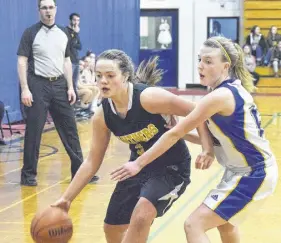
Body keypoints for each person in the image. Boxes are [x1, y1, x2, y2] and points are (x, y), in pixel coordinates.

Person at [112, 37, 278, 243]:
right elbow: (222, 139)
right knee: (225, 224)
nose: (201, 65)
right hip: (246, 169)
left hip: (252, 173)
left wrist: (138, 163)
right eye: (200, 60)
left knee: (194, 224)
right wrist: (190, 137)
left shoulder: (219, 97)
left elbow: (173, 135)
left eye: (209, 61)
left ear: (226, 66)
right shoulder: (228, 90)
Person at [52, 49, 214, 243]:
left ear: (126, 75)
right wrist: (66, 199)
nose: (103, 81)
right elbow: (91, 162)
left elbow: (200, 111)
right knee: (112, 227)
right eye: (99, 76)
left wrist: (207, 147)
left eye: (110, 76)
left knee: (141, 215)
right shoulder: (102, 116)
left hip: (171, 168)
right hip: (137, 168)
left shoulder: (148, 98)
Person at [17, 0, 98, 186]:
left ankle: (80, 172)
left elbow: (67, 61)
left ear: (56, 9)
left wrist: (70, 86)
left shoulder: (63, 33)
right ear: (39, 11)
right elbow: (22, 61)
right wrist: (25, 89)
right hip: (37, 85)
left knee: (70, 129)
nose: (48, 11)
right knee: (33, 131)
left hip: (60, 85)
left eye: (51, 7)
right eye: (44, 7)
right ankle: (28, 175)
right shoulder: (30, 33)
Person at [66, 12, 82, 98]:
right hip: (70, 61)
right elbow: (70, 44)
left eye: (78, 20)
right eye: (74, 20)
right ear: (70, 20)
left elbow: (80, 46)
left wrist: (75, 35)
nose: (76, 22)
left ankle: (74, 106)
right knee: (69, 84)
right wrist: (75, 34)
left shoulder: (76, 32)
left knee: (75, 84)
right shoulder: (66, 31)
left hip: (76, 61)